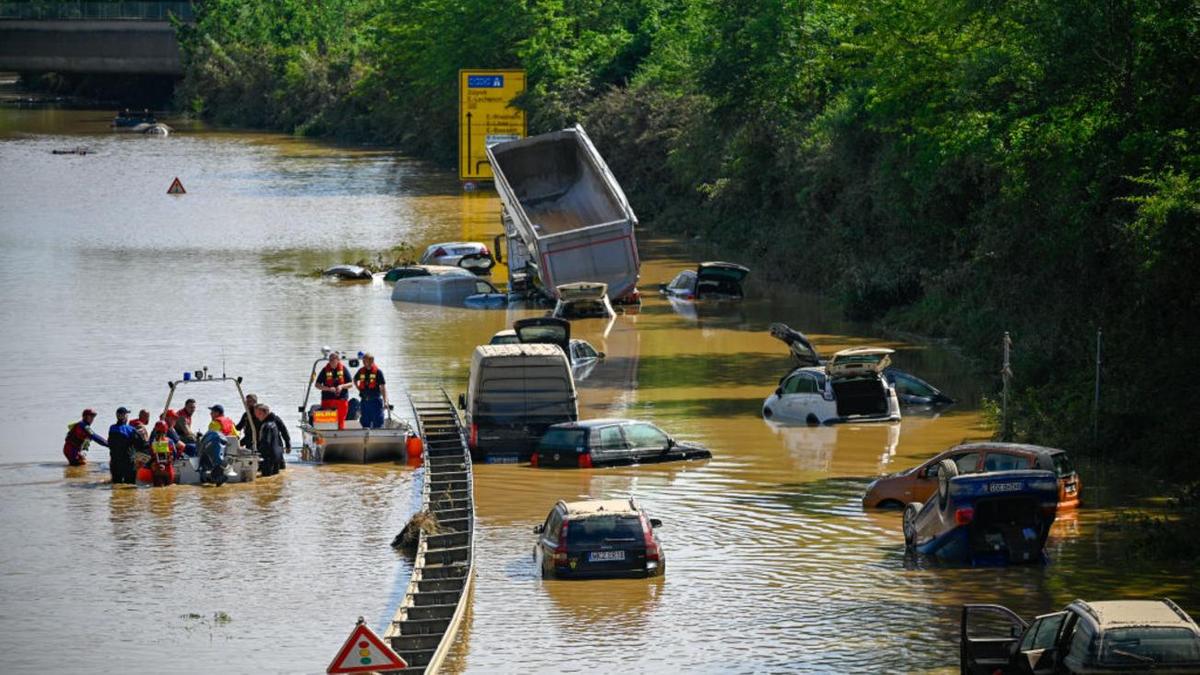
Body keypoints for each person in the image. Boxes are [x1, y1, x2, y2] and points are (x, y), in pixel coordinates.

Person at [237, 394, 292, 466]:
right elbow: (238, 427)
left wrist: (288, 444)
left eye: (249, 402)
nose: (247, 404)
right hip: (251, 443)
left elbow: (283, 430)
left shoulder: (269, 416)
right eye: (246, 402)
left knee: (277, 466)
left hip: (270, 446)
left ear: (255, 402)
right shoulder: (246, 415)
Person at [107, 407, 147, 484]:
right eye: (127, 415)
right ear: (125, 416)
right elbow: (141, 445)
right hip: (128, 464)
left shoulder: (112, 428)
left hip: (115, 463)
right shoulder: (131, 430)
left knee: (116, 485)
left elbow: (110, 443)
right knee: (130, 487)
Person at [315, 352, 353, 429]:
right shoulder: (324, 370)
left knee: (340, 423)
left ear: (338, 360)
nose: (331, 361)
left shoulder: (344, 369)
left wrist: (341, 386)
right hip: (327, 400)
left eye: (333, 359)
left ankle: (340, 436)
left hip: (341, 401)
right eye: (330, 360)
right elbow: (317, 385)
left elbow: (351, 384)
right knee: (327, 423)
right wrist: (328, 389)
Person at [354, 353, 390, 429]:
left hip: (375, 402)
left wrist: (385, 401)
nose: (363, 362)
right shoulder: (361, 371)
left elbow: (383, 388)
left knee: (378, 423)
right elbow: (354, 380)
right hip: (364, 402)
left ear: (371, 361)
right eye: (363, 360)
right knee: (365, 423)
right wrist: (359, 388)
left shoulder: (378, 372)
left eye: (365, 360)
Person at [255, 403, 285, 477]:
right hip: (277, 455)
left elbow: (266, 443)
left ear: (265, 413)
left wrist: (258, 454)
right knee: (275, 478)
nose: (257, 416)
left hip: (268, 457)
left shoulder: (266, 426)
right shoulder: (273, 424)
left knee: (266, 478)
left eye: (259, 413)